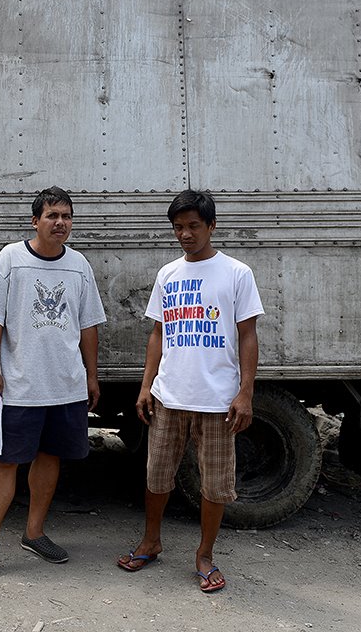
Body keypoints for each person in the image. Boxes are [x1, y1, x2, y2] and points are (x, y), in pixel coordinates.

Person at [0, 186, 107, 588]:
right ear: (35, 221)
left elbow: (88, 326)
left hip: (65, 384)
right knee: (5, 462)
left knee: (50, 456)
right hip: (21, 384)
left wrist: (91, 376)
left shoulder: (79, 265)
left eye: (66, 216)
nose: (60, 223)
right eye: (52, 216)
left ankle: (34, 533)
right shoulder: (11, 259)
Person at [115, 189, 263, 593]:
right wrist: (146, 386)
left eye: (193, 226)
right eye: (178, 227)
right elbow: (158, 334)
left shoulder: (237, 273)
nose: (185, 234)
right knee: (157, 476)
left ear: (211, 226)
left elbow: (248, 336)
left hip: (218, 401)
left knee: (215, 485)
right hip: (169, 396)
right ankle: (151, 541)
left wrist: (245, 392)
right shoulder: (168, 274)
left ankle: (205, 555)